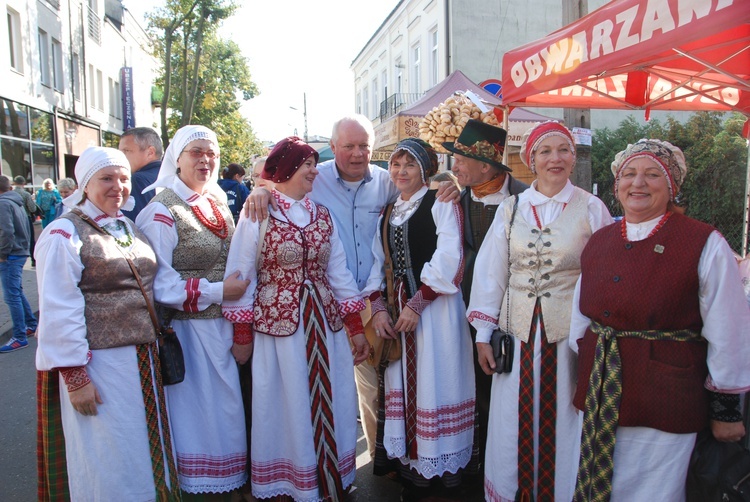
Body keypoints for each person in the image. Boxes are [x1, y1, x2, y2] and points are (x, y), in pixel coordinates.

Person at [245, 115, 460, 463]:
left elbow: (418, 186)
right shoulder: (316, 177)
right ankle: (318, 461)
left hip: (375, 299)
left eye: (365, 147)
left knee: (378, 388)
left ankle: (383, 462)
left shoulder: (385, 182)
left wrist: (447, 183)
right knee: (328, 384)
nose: (358, 154)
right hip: (325, 302)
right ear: (333, 148)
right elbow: (282, 183)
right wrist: (260, 189)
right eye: (349, 146)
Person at [570, 139, 750, 501]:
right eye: (629, 174)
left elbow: (729, 330)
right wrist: (589, 361)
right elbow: (581, 316)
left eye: (652, 175)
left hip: (667, 396)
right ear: (617, 184)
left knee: (655, 491)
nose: (638, 183)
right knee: (600, 481)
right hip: (602, 390)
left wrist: (726, 411)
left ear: (672, 188)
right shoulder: (600, 239)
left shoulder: (703, 242)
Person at [467, 121, 612, 502]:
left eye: (563, 150)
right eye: (545, 151)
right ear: (531, 160)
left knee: (564, 417)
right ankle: (515, 491)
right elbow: (491, 272)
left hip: (568, 337)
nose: (555, 159)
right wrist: (483, 334)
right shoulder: (511, 209)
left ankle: (559, 492)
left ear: (573, 157)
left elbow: (607, 272)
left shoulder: (592, 208)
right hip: (516, 335)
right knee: (512, 417)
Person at [224, 136, 370, 501]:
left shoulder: (322, 214)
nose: (313, 171)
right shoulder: (257, 212)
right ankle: (292, 483)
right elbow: (242, 273)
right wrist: (242, 335)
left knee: (332, 396)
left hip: (325, 324)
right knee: (286, 402)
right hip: (281, 329)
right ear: (288, 167)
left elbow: (338, 273)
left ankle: (330, 478)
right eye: (307, 164)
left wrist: (355, 329)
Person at [34, 147, 178, 500]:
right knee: (108, 453)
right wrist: (75, 376)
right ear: (85, 184)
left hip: (141, 359)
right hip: (100, 363)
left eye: (124, 178)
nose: (119, 186)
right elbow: (58, 308)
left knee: (140, 451)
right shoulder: (63, 233)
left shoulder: (126, 225)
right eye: (107, 178)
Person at [136, 125, 250, 497]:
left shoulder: (215, 199)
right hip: (186, 330)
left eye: (211, 153)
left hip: (220, 322)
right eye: (196, 153)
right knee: (198, 410)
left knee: (226, 407)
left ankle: (227, 479)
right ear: (178, 159)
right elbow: (160, 285)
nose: (205, 160)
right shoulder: (161, 210)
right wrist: (221, 290)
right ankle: (198, 484)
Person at [366, 138, 475, 501]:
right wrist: (379, 307)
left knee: (436, 379)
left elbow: (450, 255)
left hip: (437, 310)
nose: (400, 172)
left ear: (424, 169)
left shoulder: (440, 202)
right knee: (403, 382)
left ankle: (442, 466)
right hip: (398, 312)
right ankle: (413, 465)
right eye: (395, 165)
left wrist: (419, 302)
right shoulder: (388, 211)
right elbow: (376, 262)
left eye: (409, 165)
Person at [441, 119, 529, 484]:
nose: (454, 167)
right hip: (460, 315)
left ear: (487, 166)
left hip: (513, 318)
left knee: (506, 396)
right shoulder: (451, 199)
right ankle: (474, 471)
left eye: (460, 160)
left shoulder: (525, 200)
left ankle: (509, 472)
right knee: (468, 391)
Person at [0, 175, 37, 353]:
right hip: (19, 252)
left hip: (11, 255)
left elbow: (6, 231)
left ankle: (19, 336)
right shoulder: (15, 202)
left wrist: (2, 253)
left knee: (11, 296)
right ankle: (30, 324)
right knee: (16, 292)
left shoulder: (3, 203)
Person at [119, 126, 163, 221]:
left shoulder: (136, 180)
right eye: (120, 152)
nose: (121, 157)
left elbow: (128, 224)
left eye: (126, 151)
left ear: (150, 152)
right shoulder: (174, 177)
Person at [12, 175, 38, 267]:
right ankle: (33, 260)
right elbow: (32, 208)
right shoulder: (26, 194)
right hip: (26, 218)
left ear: (14, 183)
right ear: (24, 183)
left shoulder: (11, 193)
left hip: (13, 218)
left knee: (16, 237)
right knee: (30, 239)